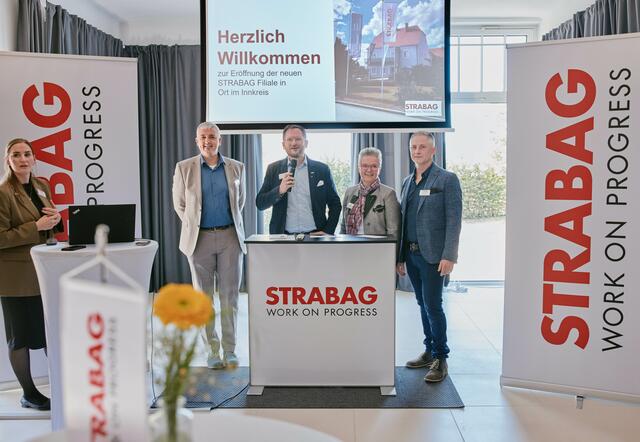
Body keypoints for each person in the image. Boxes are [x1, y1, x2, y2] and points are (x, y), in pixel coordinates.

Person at [172, 122, 246, 369]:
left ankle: (230, 350)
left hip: (229, 238)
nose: (208, 141)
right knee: (203, 299)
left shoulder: (236, 167)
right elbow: (180, 204)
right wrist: (194, 225)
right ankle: (212, 351)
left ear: (220, 140)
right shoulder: (184, 168)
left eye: (212, 136)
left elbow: (239, 202)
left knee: (230, 297)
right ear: (197, 141)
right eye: (203, 137)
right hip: (199, 240)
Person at [0, 138, 63, 410]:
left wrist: (55, 220)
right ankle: (28, 393)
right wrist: (35, 226)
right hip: (14, 279)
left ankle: (61, 387)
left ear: (34, 158)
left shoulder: (40, 186)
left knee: (47, 332)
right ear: (8, 160)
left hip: (41, 272)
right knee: (19, 338)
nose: (23, 159)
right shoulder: (3, 192)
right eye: (16, 155)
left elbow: (47, 224)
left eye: (27, 154)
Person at [397, 131, 462, 382]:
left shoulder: (446, 179)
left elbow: (454, 221)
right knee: (422, 304)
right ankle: (428, 351)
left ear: (433, 150)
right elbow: (404, 221)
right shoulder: (407, 182)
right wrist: (400, 256)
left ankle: (441, 358)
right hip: (411, 254)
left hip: (434, 256)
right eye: (413, 147)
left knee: (433, 305)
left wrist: (450, 256)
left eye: (422, 147)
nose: (417, 151)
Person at [256, 124, 341, 234]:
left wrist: (328, 231)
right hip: (283, 237)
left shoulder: (322, 169)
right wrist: (279, 190)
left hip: (315, 236)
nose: (294, 143)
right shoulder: (273, 169)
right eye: (289, 139)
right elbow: (260, 203)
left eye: (298, 139)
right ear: (283, 145)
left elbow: (335, 204)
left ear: (306, 143)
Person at [340, 147, 401, 238]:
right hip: (350, 245)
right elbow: (343, 227)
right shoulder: (349, 192)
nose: (369, 170)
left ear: (379, 168)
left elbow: (394, 232)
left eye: (374, 166)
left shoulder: (388, 194)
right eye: (365, 166)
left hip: (378, 246)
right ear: (359, 167)